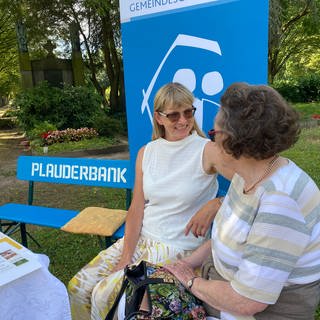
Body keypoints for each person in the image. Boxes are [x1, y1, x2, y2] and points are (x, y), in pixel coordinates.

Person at [68, 82, 225, 320]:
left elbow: (251, 185)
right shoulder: (147, 152)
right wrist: (125, 256)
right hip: (142, 239)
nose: (182, 120)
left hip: (178, 245)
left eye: (188, 112)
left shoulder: (207, 150)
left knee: (104, 295)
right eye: (173, 114)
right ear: (159, 118)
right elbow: (137, 207)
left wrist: (218, 203)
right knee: (77, 287)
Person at [165, 82, 320, 320]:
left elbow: (247, 301)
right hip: (221, 289)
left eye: (213, 134)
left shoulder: (280, 203)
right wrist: (186, 263)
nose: (211, 140)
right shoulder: (250, 174)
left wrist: (189, 280)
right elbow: (227, 236)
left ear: (230, 141)